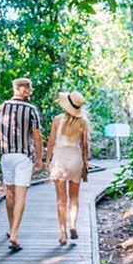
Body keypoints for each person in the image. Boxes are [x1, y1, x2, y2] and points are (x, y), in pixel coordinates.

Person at [0, 77, 43, 252]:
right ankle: (15, 233)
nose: (29, 92)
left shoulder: (0, 108)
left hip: (6, 156)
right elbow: (37, 136)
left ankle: (11, 228)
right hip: (23, 156)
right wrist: (40, 157)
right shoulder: (31, 110)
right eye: (29, 89)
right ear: (24, 90)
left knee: (9, 194)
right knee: (20, 195)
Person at [45, 90, 90, 245]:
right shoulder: (83, 122)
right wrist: (85, 161)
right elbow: (84, 145)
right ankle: (73, 225)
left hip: (60, 160)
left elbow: (51, 142)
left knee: (61, 199)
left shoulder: (57, 119)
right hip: (75, 160)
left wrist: (47, 160)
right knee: (74, 198)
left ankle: (63, 234)